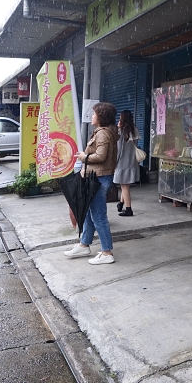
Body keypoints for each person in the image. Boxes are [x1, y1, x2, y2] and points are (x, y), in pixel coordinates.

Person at [64, 102, 118, 265]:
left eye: (94, 114)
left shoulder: (103, 134)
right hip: (96, 177)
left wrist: (84, 157)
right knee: (88, 212)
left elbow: (101, 156)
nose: (92, 116)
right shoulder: (105, 132)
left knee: (98, 215)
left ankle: (106, 252)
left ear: (101, 117)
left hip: (98, 178)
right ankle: (84, 244)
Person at [113, 109, 141, 217]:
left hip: (122, 162)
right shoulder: (134, 130)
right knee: (125, 185)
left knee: (124, 186)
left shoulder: (120, 131)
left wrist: (114, 162)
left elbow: (119, 149)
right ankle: (121, 204)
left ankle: (128, 209)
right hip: (132, 161)